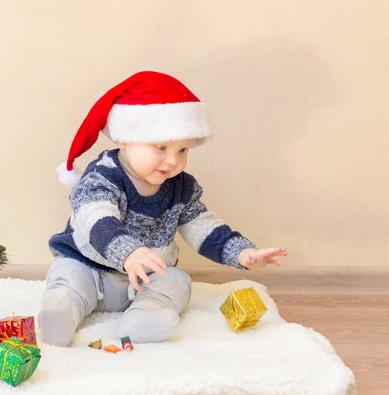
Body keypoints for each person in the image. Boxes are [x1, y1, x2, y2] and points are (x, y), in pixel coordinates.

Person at [40, 71, 288, 347]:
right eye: (161, 147)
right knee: (69, 274)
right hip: (91, 268)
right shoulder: (103, 176)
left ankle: (146, 315)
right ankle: (61, 310)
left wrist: (242, 253)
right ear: (124, 139)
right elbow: (97, 218)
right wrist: (129, 253)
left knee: (176, 280)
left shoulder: (181, 187)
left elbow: (202, 226)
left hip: (143, 279)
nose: (172, 160)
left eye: (182, 150)